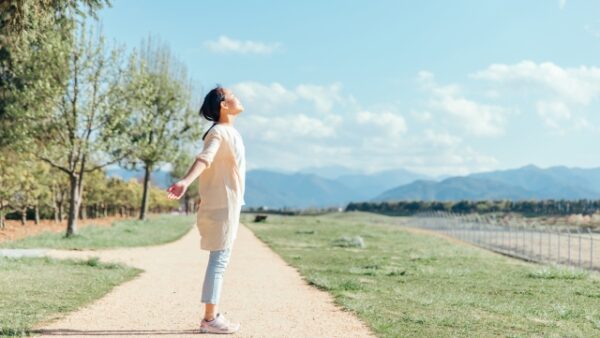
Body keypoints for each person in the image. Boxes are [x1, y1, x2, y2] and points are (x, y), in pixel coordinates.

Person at [167, 86, 245, 334]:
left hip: (227, 204)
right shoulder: (219, 133)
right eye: (233, 94)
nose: (238, 97)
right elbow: (204, 158)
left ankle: (211, 317)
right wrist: (185, 181)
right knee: (219, 261)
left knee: (220, 259)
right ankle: (210, 319)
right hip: (222, 205)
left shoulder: (227, 132)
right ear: (224, 105)